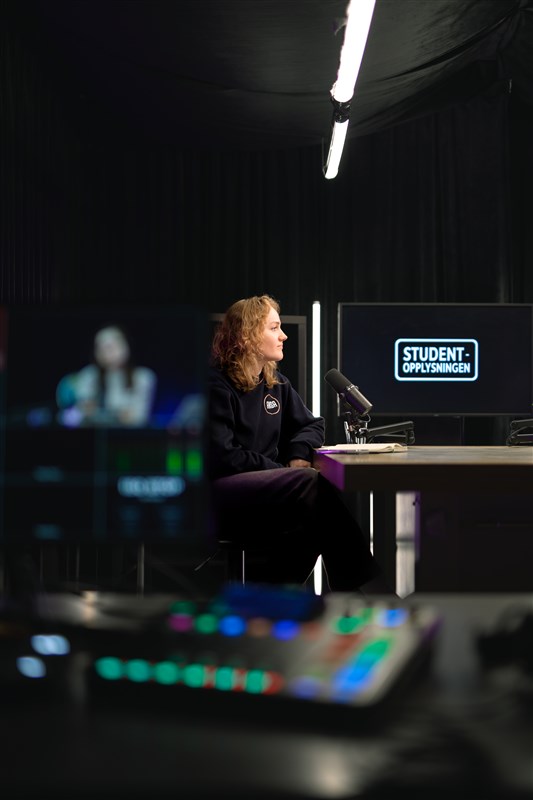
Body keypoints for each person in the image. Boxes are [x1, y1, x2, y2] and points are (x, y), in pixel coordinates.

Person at [208, 294, 382, 592]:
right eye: (274, 328)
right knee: (312, 485)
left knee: (318, 517)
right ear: (247, 336)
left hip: (270, 493)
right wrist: (281, 471)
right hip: (223, 496)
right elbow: (223, 456)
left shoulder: (276, 384)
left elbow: (312, 425)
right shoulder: (216, 385)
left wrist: (298, 454)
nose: (283, 336)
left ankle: (270, 596)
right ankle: (367, 590)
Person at [57, 324, 157, 427]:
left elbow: (140, 417)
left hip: (128, 435)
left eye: (111, 346)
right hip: (94, 433)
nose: (106, 352)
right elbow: (73, 415)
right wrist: (82, 410)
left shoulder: (143, 377)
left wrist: (118, 416)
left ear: (125, 346)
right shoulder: (89, 375)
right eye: (100, 347)